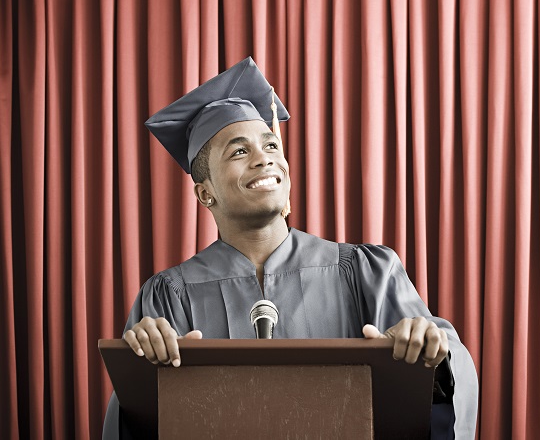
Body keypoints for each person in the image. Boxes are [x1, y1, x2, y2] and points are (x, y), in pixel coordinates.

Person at [102, 57, 478, 439]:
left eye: (269, 144)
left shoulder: (366, 273)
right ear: (205, 193)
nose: (264, 157)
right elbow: (133, 420)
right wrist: (146, 376)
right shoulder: (168, 299)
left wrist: (433, 356)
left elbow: (448, 370)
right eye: (238, 152)